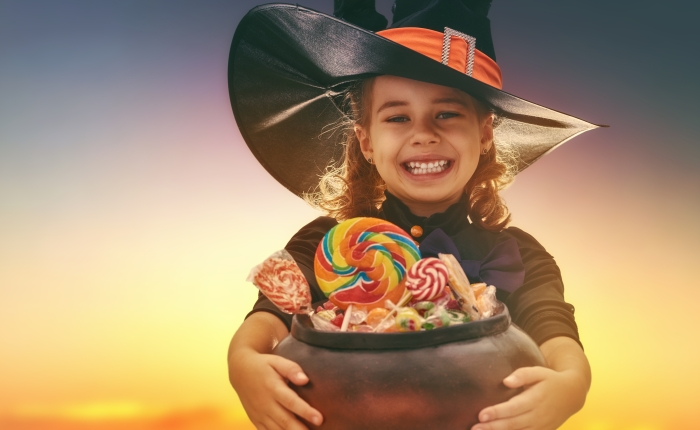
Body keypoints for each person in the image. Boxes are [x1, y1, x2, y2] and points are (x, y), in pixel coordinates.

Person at [227, 1, 601, 429]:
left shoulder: (518, 255)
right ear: (366, 142)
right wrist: (243, 365)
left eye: (447, 113)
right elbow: (265, 324)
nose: (424, 134)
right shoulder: (328, 244)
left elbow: (556, 334)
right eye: (398, 117)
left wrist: (572, 384)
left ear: (484, 133)